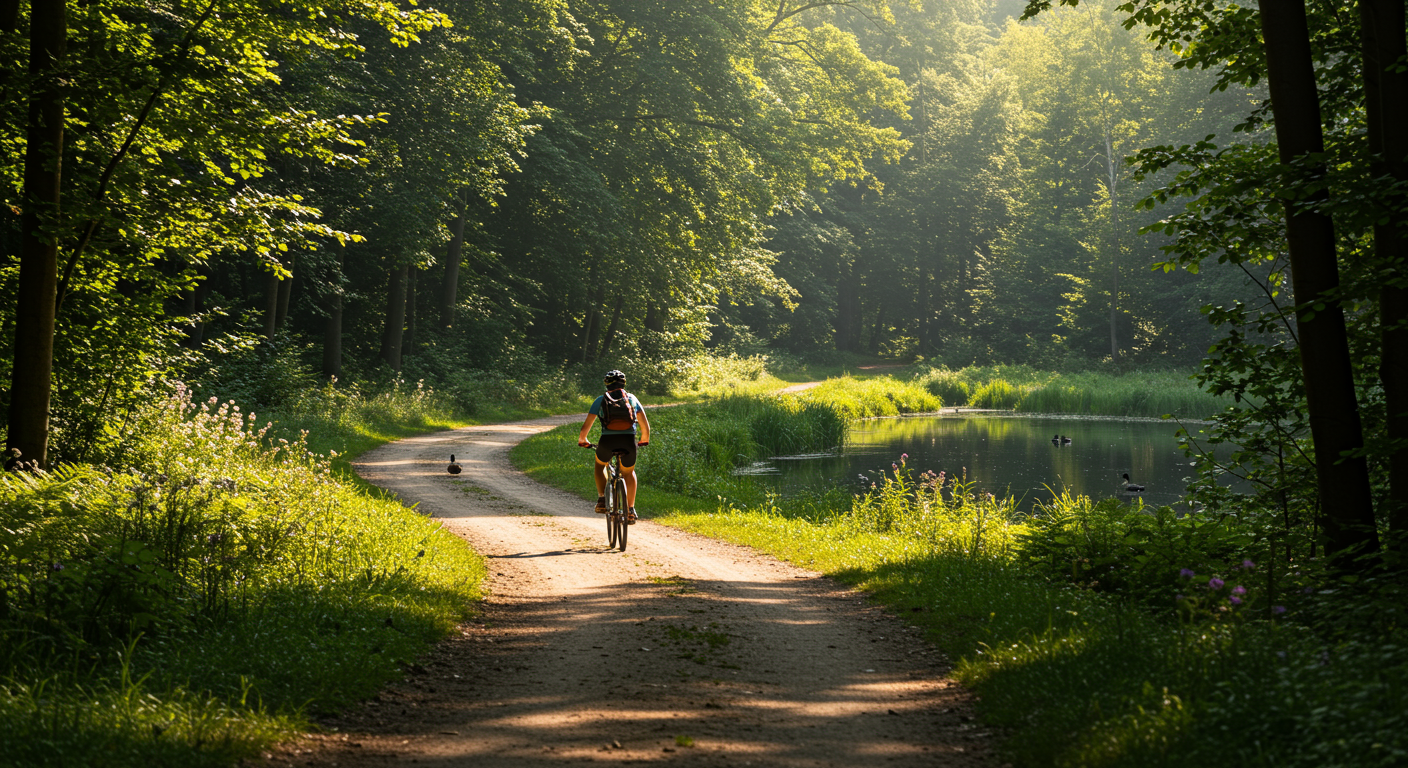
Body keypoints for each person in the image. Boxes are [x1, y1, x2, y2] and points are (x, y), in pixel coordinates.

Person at [578, 369, 650, 523]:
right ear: (623, 383)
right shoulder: (632, 399)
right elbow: (645, 427)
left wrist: (583, 440)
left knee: (600, 465)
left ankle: (602, 500)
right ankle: (630, 510)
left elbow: (585, 427)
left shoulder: (600, 400)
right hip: (628, 441)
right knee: (629, 473)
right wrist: (644, 440)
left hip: (607, 442)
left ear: (607, 384)